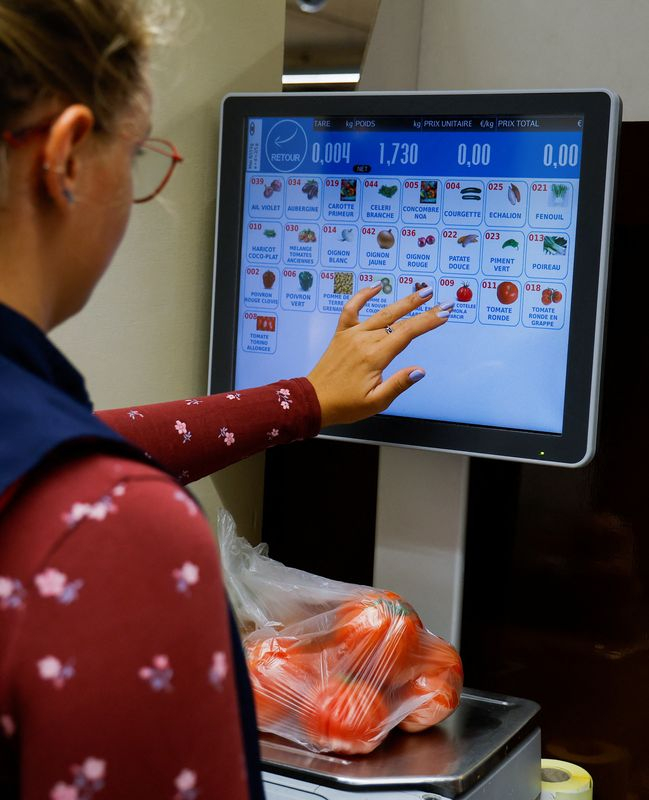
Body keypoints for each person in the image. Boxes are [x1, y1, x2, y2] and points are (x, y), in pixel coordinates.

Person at [0, 2, 452, 798]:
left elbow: (76, 445)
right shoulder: (111, 536)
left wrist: (304, 399)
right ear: (66, 157)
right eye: (135, 153)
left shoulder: (55, 478)